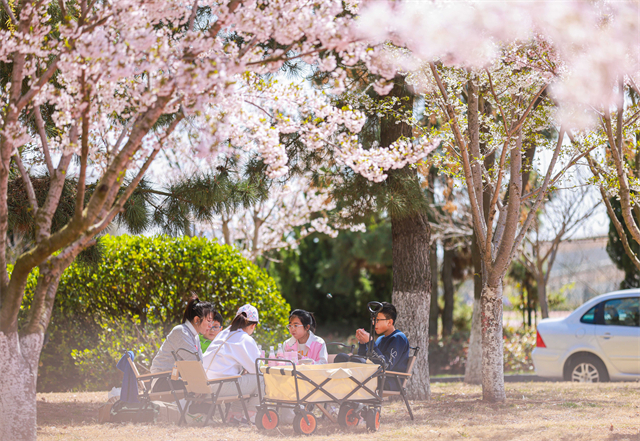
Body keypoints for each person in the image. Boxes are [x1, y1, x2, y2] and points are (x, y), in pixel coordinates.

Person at [202, 304, 262, 422]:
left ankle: (235, 415)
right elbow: (257, 369)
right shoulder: (245, 338)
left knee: (240, 378)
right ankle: (251, 415)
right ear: (253, 325)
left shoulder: (223, 333)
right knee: (261, 378)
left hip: (203, 387)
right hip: (218, 387)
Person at [335, 302, 409, 391]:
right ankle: (345, 398)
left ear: (389, 322)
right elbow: (367, 360)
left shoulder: (398, 338)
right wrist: (362, 344)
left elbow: (385, 366)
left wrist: (370, 343)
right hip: (374, 376)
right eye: (373, 320)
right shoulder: (380, 339)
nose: (374, 323)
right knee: (342, 358)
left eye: (377, 320)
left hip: (388, 381)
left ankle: (346, 398)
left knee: (349, 361)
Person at [150, 296, 214, 392]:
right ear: (197, 320)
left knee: (208, 389)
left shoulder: (195, 336)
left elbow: (199, 365)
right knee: (207, 390)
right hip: (163, 381)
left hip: (175, 381)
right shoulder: (181, 332)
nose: (210, 325)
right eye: (208, 321)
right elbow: (195, 364)